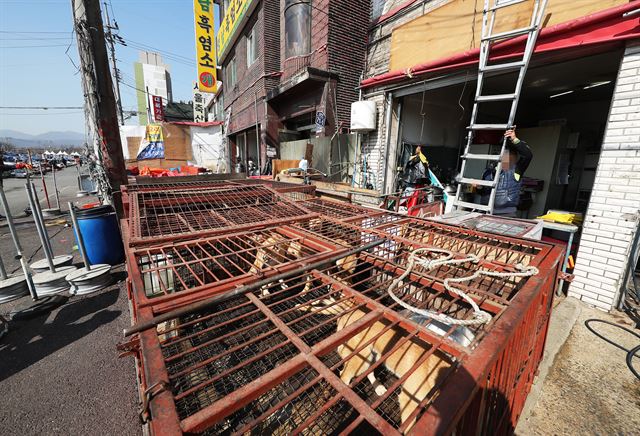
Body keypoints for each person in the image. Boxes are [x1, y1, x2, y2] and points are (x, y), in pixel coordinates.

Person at [479, 128, 533, 214]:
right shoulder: (488, 172)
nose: (508, 157)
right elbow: (483, 192)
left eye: (512, 155)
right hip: (485, 212)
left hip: (506, 215)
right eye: (505, 154)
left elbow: (528, 156)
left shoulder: (516, 170)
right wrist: (478, 188)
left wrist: (514, 139)